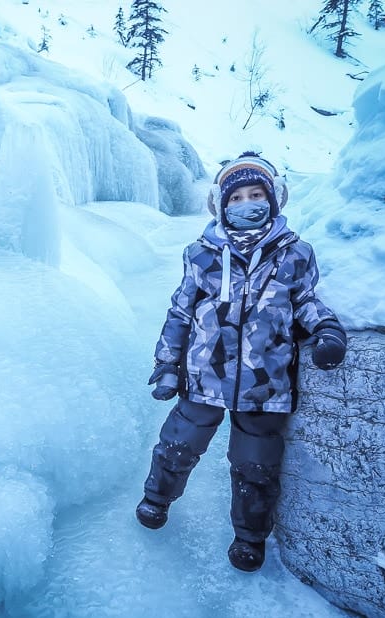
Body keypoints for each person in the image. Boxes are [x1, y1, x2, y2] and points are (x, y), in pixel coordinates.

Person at [135, 152, 347, 572]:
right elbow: (180, 313)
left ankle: (250, 537)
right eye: (236, 198)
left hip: (264, 383)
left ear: (273, 199)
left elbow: (304, 301)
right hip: (204, 375)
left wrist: (327, 330)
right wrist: (166, 363)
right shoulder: (201, 254)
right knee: (179, 443)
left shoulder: (294, 254)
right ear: (220, 205)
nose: (247, 203)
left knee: (256, 463)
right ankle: (156, 498)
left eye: (256, 194)